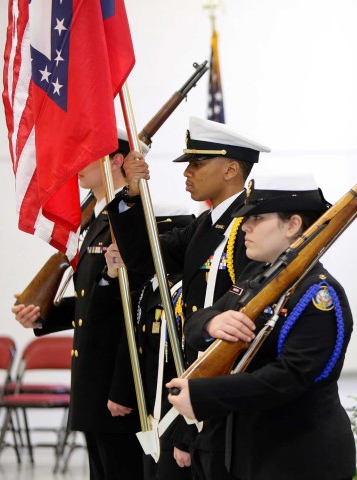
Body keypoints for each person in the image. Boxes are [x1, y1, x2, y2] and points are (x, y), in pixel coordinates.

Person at [107, 117, 268, 479]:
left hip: (223, 393)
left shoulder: (250, 226)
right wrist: (132, 195)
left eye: (197, 164)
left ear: (230, 169)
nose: (187, 173)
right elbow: (145, 259)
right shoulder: (207, 224)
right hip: (198, 386)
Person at [166, 175, 356, 480]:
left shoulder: (319, 294)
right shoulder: (258, 275)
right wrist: (213, 323)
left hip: (299, 459)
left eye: (257, 218)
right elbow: (197, 320)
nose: (245, 227)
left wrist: (204, 395)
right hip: (254, 453)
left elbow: (291, 377)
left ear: (292, 225)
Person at [11, 129, 148, 480]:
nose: (77, 166)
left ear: (116, 161)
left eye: (87, 156)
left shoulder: (131, 217)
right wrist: (44, 316)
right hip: (92, 380)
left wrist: (123, 387)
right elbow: (93, 301)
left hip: (115, 383)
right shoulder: (98, 221)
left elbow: (134, 307)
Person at [102, 208, 194, 480]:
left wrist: (183, 430)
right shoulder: (148, 287)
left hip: (173, 414)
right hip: (152, 415)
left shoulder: (179, 291)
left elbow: (185, 362)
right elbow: (133, 344)